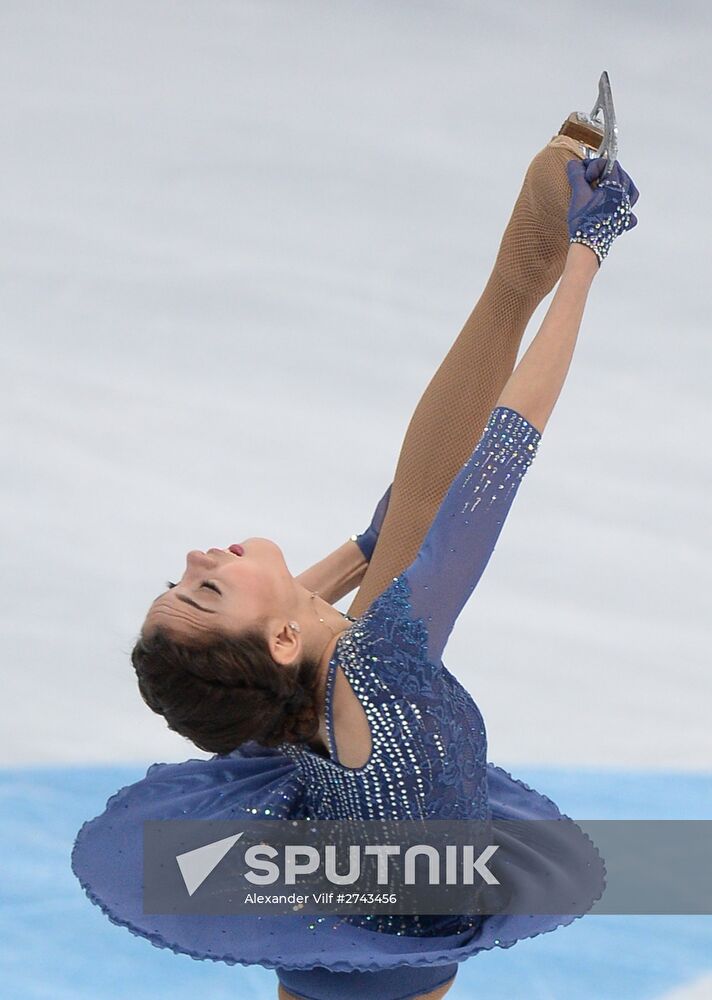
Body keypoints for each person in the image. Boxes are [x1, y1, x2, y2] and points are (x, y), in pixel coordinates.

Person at [71, 118, 638, 1000]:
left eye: (179, 582)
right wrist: (586, 264)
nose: (192, 555)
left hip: (343, 899)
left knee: (410, 511)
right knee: (424, 510)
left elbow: (381, 538)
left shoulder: (282, 679)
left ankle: (509, 284)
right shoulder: (381, 663)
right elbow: (502, 453)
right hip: (396, 916)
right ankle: (520, 282)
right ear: (283, 638)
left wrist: (375, 538)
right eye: (206, 587)